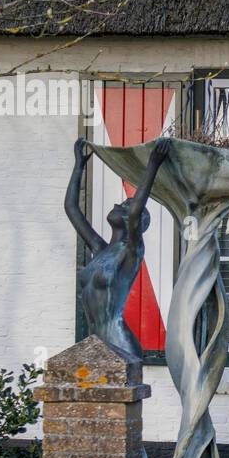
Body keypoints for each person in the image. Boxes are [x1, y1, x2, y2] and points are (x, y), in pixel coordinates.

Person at [65, 137, 172, 361]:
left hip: (120, 344)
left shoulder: (131, 252)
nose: (117, 204)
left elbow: (135, 212)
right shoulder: (99, 249)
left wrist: (153, 165)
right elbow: (71, 208)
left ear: (130, 219)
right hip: (94, 344)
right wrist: (78, 167)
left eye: (125, 205)